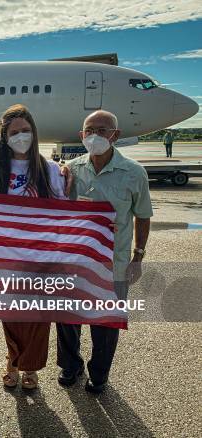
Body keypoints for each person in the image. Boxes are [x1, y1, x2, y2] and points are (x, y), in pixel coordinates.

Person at [57, 110, 152, 393]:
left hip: (114, 264)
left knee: (106, 325)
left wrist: (138, 257)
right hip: (74, 263)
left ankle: (99, 373)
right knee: (67, 319)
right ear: (81, 135)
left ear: (115, 136)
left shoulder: (134, 173)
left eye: (102, 130)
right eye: (90, 130)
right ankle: (70, 366)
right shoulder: (70, 170)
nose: (95, 136)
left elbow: (143, 216)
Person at [0, 104, 66, 390]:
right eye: (15, 132)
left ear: (34, 133)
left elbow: (62, 208)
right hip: (6, 256)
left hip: (40, 256)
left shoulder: (49, 168)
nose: (21, 136)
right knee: (11, 315)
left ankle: (30, 367)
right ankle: (13, 360)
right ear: (5, 137)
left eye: (26, 131)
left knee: (38, 317)